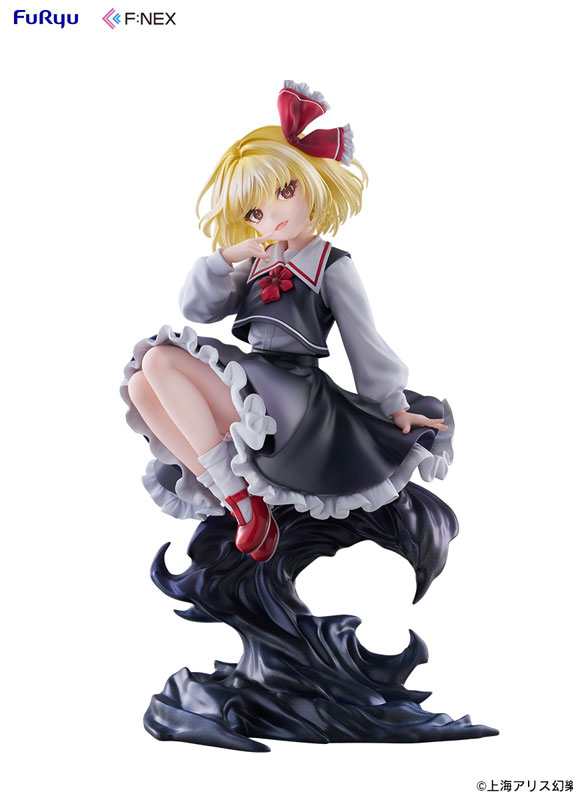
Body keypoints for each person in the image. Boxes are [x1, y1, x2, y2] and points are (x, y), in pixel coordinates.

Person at [121, 81, 453, 562]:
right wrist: (223, 258)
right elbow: (198, 309)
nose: (273, 215)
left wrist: (393, 405)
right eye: (256, 211)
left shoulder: (331, 265)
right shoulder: (258, 261)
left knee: (160, 361)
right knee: (142, 383)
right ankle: (238, 502)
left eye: (284, 191)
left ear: (309, 182)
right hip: (257, 376)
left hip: (297, 399)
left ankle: (243, 500)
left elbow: (364, 341)